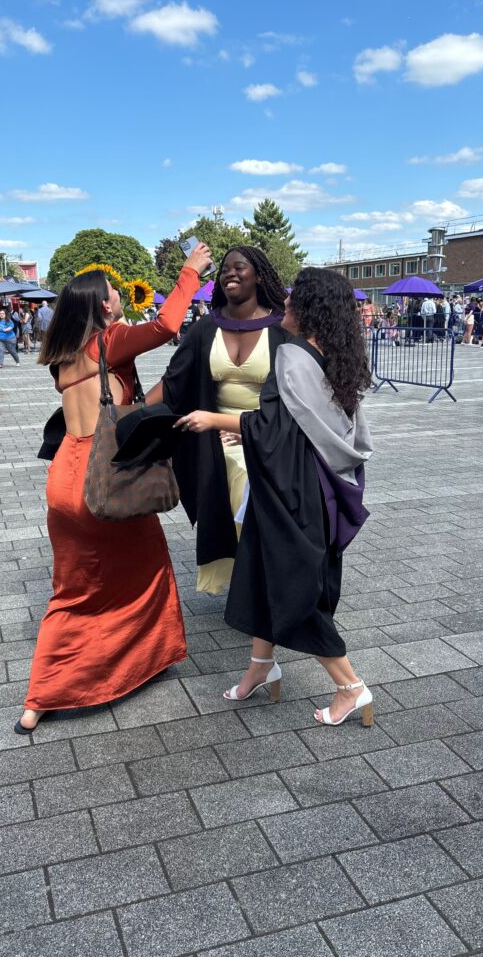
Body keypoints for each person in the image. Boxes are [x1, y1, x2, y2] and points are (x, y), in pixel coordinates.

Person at [15, 242, 212, 733]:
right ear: (104, 305)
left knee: (74, 588)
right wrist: (189, 273)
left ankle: (38, 700)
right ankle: (140, 660)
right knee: (145, 571)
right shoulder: (109, 341)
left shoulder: (63, 356)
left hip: (65, 475)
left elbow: (118, 400)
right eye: (115, 292)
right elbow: (167, 326)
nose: (121, 295)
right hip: (106, 473)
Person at [176, 267, 374, 725]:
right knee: (261, 575)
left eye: (292, 301)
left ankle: (350, 687)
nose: (284, 306)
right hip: (310, 485)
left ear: (308, 311)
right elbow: (302, 429)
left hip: (292, 493)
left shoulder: (291, 357)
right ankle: (261, 668)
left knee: (293, 588)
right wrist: (250, 436)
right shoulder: (332, 358)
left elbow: (275, 427)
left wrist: (217, 419)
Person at [146, 246, 289, 594]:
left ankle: (262, 579)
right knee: (222, 491)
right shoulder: (207, 327)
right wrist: (133, 412)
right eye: (224, 269)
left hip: (267, 436)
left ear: (259, 275)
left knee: (246, 483)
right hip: (211, 437)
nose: (230, 274)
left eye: (240, 268)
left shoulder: (281, 327)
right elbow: (173, 380)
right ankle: (249, 581)